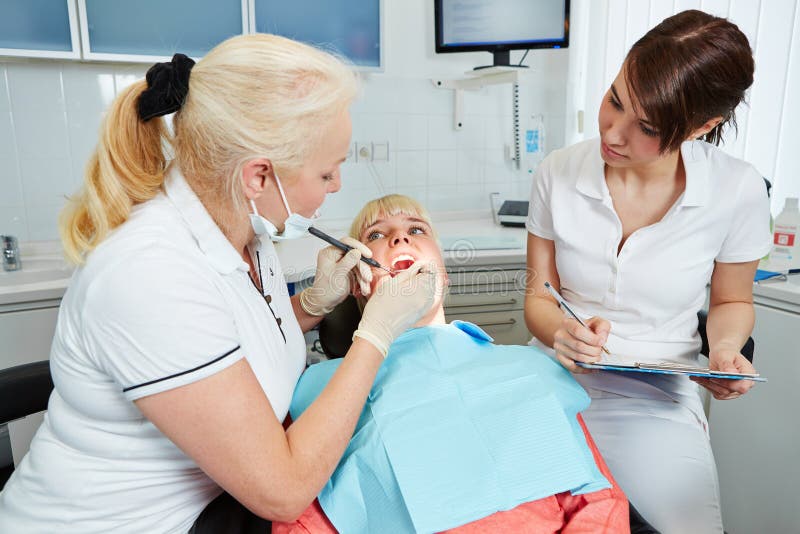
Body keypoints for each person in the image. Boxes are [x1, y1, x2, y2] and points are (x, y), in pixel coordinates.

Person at [0, 35, 439, 532]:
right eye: (327, 172)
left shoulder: (245, 228)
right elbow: (283, 492)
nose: (336, 185)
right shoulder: (149, 275)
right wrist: (375, 334)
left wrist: (310, 306)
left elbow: (231, 341)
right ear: (258, 177)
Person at [524, 10, 771, 534]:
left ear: (702, 127)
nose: (613, 133)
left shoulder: (736, 189)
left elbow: (732, 301)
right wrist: (561, 333)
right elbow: (539, 296)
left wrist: (726, 349)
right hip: (550, 377)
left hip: (654, 399)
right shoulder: (557, 172)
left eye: (648, 127)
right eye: (615, 99)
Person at [273, 194, 630, 534]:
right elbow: (302, 519)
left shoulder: (531, 367)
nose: (400, 238)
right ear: (358, 284)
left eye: (416, 230)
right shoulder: (322, 389)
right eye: (377, 235)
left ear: (443, 275)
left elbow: (599, 501)